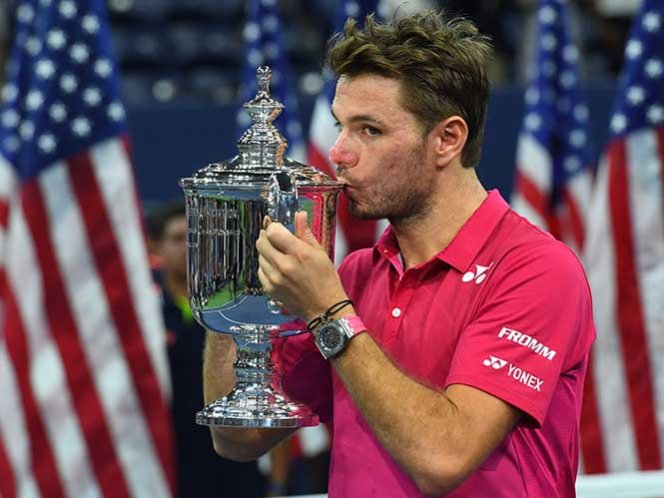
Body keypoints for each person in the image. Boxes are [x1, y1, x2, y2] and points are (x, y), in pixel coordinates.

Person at [203, 11, 595, 498]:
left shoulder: (536, 269)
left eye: (369, 130)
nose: (340, 152)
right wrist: (241, 278)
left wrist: (329, 313)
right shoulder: (353, 274)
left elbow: (444, 458)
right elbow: (238, 437)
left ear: (447, 139)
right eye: (339, 126)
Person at [149, 201, 290, 497]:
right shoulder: (145, 317)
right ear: (157, 249)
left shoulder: (240, 312)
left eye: (193, 238)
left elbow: (270, 392)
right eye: (176, 239)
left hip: (236, 460)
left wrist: (278, 479)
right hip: (173, 463)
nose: (187, 246)